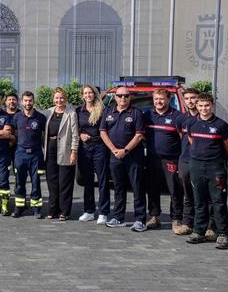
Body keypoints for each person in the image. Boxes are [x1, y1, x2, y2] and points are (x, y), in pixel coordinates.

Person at [185, 93, 228, 248]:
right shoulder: (191, 123)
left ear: (212, 106)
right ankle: (199, 231)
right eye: (200, 106)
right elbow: (192, 141)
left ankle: (222, 233)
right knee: (199, 200)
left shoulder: (221, 125)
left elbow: (226, 147)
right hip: (196, 165)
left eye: (207, 106)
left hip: (215, 166)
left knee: (218, 201)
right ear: (196, 107)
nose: (204, 109)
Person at [100, 86, 147, 231]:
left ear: (130, 97)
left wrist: (125, 150)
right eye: (120, 96)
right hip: (115, 156)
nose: (123, 99)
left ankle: (140, 220)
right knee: (119, 188)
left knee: (137, 187)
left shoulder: (136, 113)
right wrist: (114, 150)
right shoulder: (108, 111)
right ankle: (118, 217)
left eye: (126, 96)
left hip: (133, 156)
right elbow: (102, 132)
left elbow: (139, 135)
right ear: (115, 97)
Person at [143, 89, 186, 231]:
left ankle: (176, 219)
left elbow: (183, 138)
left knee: (175, 190)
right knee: (152, 188)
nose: (158, 102)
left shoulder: (177, 116)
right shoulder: (148, 115)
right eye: (156, 99)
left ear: (168, 100)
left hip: (171, 159)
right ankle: (154, 216)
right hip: (152, 158)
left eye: (161, 99)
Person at [43, 88, 78, 221]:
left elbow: (75, 135)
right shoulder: (48, 112)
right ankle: (53, 210)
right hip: (50, 151)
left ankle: (64, 212)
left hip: (65, 151)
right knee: (52, 183)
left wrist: (74, 152)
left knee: (65, 183)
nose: (59, 100)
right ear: (53, 99)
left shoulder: (71, 114)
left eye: (62, 98)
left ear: (66, 99)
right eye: (57, 98)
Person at [75, 85, 109, 224]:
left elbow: (106, 129)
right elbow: (74, 128)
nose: (88, 95)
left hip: (100, 147)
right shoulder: (78, 111)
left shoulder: (102, 110)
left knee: (102, 181)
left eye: (90, 93)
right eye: (86, 93)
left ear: (95, 94)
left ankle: (103, 212)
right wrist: (80, 134)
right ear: (82, 95)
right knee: (87, 181)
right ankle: (89, 211)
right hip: (85, 149)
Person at [12, 91, 47, 219]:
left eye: (30, 100)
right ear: (21, 102)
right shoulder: (16, 117)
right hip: (20, 153)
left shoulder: (41, 118)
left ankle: (36, 209)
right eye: (26, 101)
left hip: (36, 154)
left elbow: (46, 135)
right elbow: (12, 133)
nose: (28, 103)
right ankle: (19, 207)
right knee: (19, 182)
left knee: (36, 182)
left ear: (33, 101)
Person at [177, 87, 203, 237]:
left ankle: (206, 225)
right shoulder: (182, 118)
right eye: (187, 99)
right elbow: (180, 136)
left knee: (202, 194)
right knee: (187, 194)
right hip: (185, 160)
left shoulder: (204, 117)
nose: (190, 101)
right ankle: (187, 223)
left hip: (202, 161)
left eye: (193, 98)